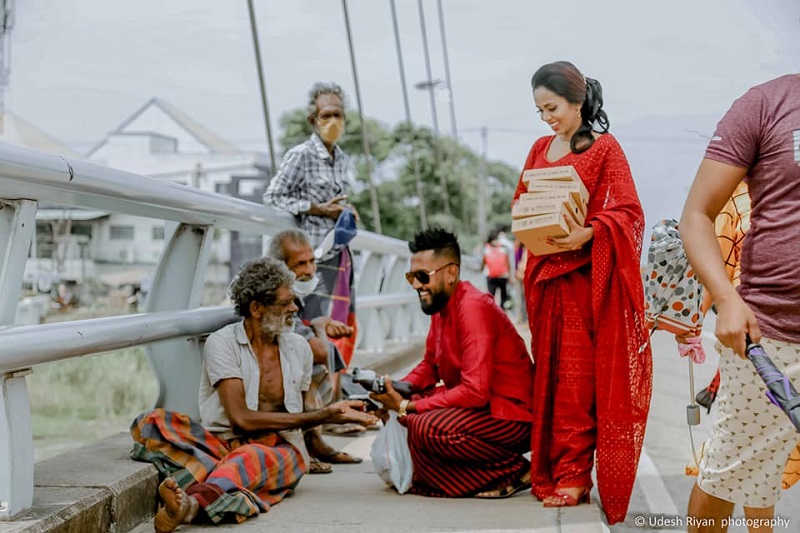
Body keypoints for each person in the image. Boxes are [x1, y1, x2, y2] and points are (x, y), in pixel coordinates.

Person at [130, 258, 377, 532]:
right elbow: (240, 421)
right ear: (257, 308)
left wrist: (323, 437)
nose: (295, 308)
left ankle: (190, 506)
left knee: (251, 456)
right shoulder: (222, 343)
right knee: (150, 424)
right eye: (285, 303)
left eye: (294, 300)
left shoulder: (299, 349)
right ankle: (231, 483)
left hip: (281, 448)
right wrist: (324, 414)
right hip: (224, 440)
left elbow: (303, 415)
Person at [512, 61, 651, 524]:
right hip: (544, 279)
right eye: (539, 111)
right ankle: (550, 469)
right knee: (547, 376)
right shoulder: (538, 148)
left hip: (584, 283)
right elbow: (521, 202)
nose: (547, 118)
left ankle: (574, 474)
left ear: (576, 101)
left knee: (577, 382)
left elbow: (628, 212)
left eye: (552, 108)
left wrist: (588, 233)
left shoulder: (604, 148)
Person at [680, 73, 800, 533]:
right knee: (730, 472)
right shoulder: (766, 104)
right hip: (770, 338)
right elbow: (699, 213)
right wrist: (726, 299)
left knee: (762, 480)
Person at [370, 227, 534, 499]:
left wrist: (406, 406)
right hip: (482, 410)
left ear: (451, 273)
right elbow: (429, 366)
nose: (416, 286)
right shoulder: (441, 306)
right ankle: (457, 477)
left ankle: (513, 470)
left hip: (511, 416)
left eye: (422, 277)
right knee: (407, 418)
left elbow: (474, 390)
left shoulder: (472, 307)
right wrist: (394, 388)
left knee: (423, 425)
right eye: (411, 277)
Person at [263, 82, 360, 368]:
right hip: (310, 259)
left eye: (338, 115)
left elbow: (337, 199)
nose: (333, 122)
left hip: (338, 253)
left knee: (343, 325)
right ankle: (313, 393)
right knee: (310, 327)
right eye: (326, 115)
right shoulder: (301, 155)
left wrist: (346, 213)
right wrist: (316, 209)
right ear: (313, 120)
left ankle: (337, 390)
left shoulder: (341, 158)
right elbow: (272, 197)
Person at [267, 228, 364, 473]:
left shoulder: (303, 289)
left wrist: (322, 324)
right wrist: (321, 327)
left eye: (312, 261)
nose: (310, 270)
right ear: (281, 267)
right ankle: (306, 443)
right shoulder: (277, 296)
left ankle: (313, 439)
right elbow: (320, 352)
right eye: (301, 264)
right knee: (312, 361)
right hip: (265, 377)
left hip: (282, 365)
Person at [481, 229, 513, 310]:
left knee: (491, 296)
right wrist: (509, 275)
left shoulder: (486, 249)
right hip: (503, 276)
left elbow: (483, 262)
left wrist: (481, 269)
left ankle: (491, 312)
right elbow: (508, 263)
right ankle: (503, 313)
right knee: (504, 296)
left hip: (491, 276)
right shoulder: (503, 249)